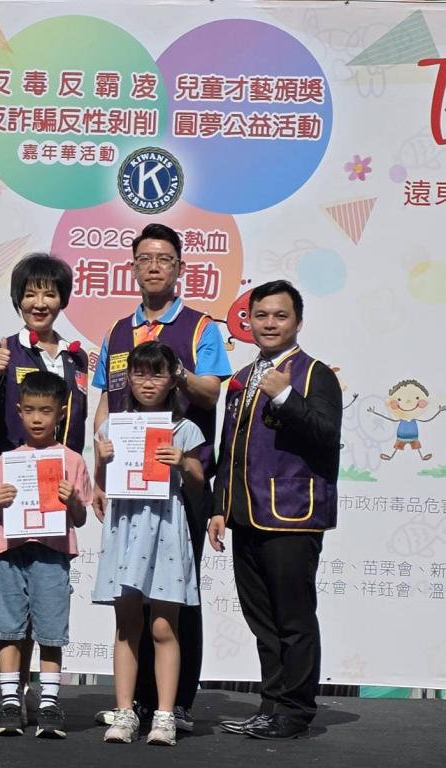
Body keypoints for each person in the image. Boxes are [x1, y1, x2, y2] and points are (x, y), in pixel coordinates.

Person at [91, 223, 230, 732]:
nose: (154, 267)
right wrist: (98, 465)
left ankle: (177, 704)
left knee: (176, 595)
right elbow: (106, 399)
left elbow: (212, 391)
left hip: (181, 481)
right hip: (127, 483)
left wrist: (175, 372)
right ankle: (134, 705)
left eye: (164, 259)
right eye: (145, 259)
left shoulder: (199, 327)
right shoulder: (116, 331)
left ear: (179, 268)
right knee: (131, 595)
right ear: (133, 267)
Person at [208, 280, 342, 740]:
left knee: (294, 619)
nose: (269, 324)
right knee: (261, 620)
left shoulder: (314, 373)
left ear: (298, 322)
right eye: (261, 315)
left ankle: (295, 711)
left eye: (280, 316)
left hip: (292, 515)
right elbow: (230, 448)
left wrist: (286, 397)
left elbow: (326, 435)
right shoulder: (242, 377)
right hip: (245, 514)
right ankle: (270, 705)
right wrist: (221, 506)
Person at [0, 252, 88, 721]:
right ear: (18, 299)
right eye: (31, 293)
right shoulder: (4, 349)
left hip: (56, 502)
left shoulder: (76, 356)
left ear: (62, 300)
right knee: (11, 603)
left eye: (50, 293)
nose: (40, 302)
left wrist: (79, 483)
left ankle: (46, 698)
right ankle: (12, 699)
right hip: (11, 498)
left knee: (48, 601)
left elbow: (76, 424)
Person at [92, 342, 203, 746]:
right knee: (127, 624)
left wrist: (184, 462)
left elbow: (198, 482)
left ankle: (165, 715)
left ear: (173, 379)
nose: (148, 382)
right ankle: (124, 713)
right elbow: (101, 484)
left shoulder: (184, 428)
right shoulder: (113, 426)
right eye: (139, 374)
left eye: (157, 374)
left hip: (166, 527)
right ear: (128, 379)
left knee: (163, 625)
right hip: (125, 526)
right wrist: (101, 458)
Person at [0, 371, 92, 739]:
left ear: (61, 413)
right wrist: (0, 502)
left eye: (45, 410)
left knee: (51, 630)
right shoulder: (8, 460)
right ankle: (10, 701)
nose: (37, 418)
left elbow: (80, 517)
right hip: (9, 552)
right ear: (19, 411)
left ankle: (49, 703)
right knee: (7, 629)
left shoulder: (72, 460)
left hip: (51, 554)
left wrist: (72, 501)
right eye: (29, 410)